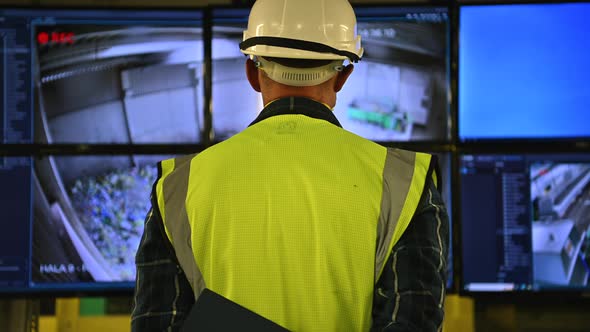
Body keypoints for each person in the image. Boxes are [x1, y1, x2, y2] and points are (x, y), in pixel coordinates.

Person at [131, 0, 449, 330]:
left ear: (252, 73)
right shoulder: (406, 184)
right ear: (343, 76)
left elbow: (157, 323)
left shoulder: (177, 187)